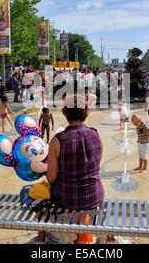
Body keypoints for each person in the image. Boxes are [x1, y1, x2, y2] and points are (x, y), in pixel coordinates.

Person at [30, 93, 104, 244]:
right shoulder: (96, 135)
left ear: (65, 113)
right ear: (85, 113)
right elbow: (96, 166)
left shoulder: (57, 140)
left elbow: (51, 178)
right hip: (94, 195)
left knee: (32, 194)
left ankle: (41, 238)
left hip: (68, 197)